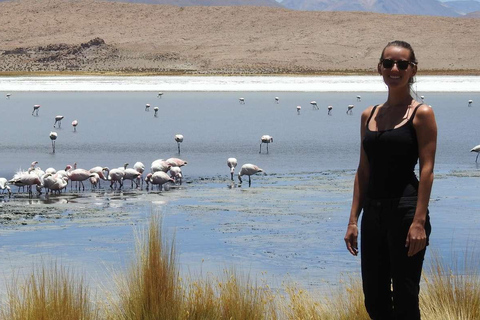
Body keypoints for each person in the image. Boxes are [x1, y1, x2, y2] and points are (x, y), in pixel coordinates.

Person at [344, 40, 437, 320]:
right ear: (379, 68)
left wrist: (418, 222)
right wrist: (352, 220)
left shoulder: (421, 114)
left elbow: (427, 170)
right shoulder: (368, 115)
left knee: (406, 298)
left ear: (412, 70)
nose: (394, 69)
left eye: (402, 64)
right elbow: (363, 170)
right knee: (374, 299)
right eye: (388, 63)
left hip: (406, 212)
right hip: (373, 214)